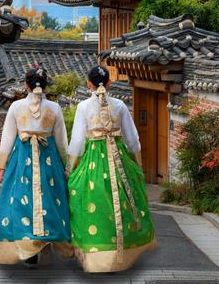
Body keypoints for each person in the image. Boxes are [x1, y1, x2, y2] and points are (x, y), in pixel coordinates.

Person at [67, 65, 156, 272]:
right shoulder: (120, 105)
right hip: (119, 159)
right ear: (109, 83)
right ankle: (121, 255)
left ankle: (96, 255)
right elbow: (133, 138)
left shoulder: (83, 107)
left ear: (89, 84)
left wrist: (72, 167)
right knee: (125, 199)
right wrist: (136, 162)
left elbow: (78, 141)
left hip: (92, 161)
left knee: (90, 200)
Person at [0, 67, 73, 267]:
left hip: (22, 158)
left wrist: (2, 166)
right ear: (45, 86)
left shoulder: (16, 107)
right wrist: (68, 165)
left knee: (21, 201)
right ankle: (44, 244)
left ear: (26, 85)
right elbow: (62, 141)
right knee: (49, 200)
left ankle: (28, 247)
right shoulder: (54, 108)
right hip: (49, 159)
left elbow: (7, 138)